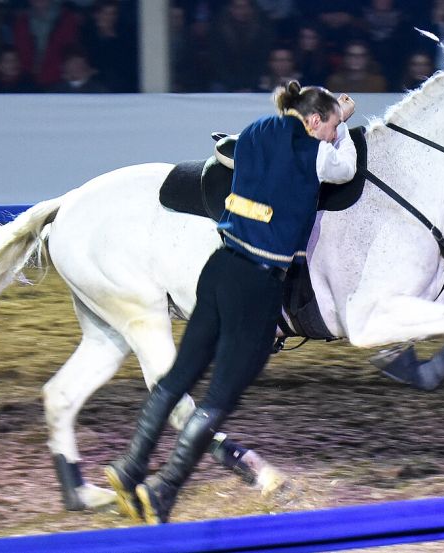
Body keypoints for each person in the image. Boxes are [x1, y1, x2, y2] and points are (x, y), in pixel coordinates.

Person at [104, 81, 358, 525]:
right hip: (257, 286)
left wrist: (336, 120)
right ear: (315, 121)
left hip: (219, 269)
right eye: (332, 126)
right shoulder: (314, 150)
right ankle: (163, 491)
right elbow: (345, 170)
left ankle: (130, 468)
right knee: (219, 397)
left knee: (179, 377)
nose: (334, 135)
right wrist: (349, 127)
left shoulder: (256, 129)